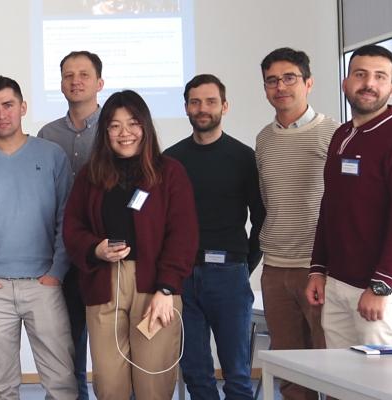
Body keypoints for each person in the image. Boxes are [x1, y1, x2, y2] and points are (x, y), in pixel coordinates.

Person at [62, 90, 198, 400]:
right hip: (103, 284)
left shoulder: (169, 172)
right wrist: (95, 248)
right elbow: (72, 228)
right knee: (109, 385)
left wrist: (167, 289)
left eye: (133, 123)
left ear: (145, 127)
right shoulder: (90, 176)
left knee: (153, 383)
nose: (125, 133)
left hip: (154, 287)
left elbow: (183, 234)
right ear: (105, 131)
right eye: (114, 125)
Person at [0, 76, 77, 399]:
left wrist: (56, 273)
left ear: (23, 107)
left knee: (61, 383)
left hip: (43, 284)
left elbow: (67, 219)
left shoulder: (52, 155)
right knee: (1, 387)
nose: (2, 114)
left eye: (8, 105)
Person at [306, 44, 392, 350]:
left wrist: (381, 284)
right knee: (338, 383)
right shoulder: (342, 135)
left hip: (381, 289)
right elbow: (330, 208)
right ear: (346, 82)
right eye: (360, 75)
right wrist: (318, 270)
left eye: (379, 76)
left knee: (379, 387)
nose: (369, 84)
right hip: (338, 284)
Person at [163, 74, 263, 400]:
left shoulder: (244, 157)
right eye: (195, 102)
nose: (202, 108)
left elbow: (260, 217)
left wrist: (243, 264)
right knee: (196, 373)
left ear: (225, 106)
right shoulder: (171, 159)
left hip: (230, 275)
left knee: (237, 373)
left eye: (210, 101)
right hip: (184, 277)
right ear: (186, 108)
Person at [253, 47, 336, 400]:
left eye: (289, 78)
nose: (280, 87)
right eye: (272, 80)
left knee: (332, 366)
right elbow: (267, 202)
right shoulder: (263, 139)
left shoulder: (334, 133)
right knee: (289, 371)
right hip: (275, 269)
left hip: (319, 269)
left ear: (308, 82)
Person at [38, 52, 107, 396]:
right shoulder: (47, 135)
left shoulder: (117, 129)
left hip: (106, 254)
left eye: (83, 74)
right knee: (67, 348)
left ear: (99, 83)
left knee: (111, 347)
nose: (75, 81)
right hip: (64, 256)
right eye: (68, 75)